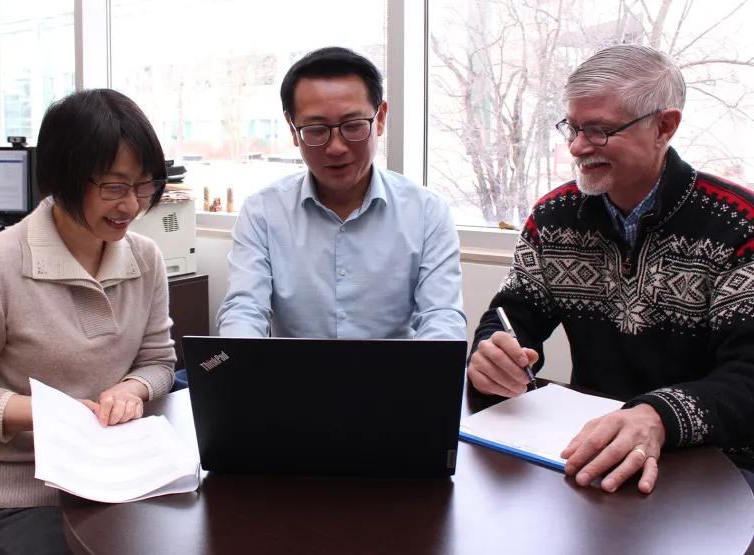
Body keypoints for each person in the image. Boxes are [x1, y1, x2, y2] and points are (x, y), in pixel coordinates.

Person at [468, 44, 754, 494]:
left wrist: (657, 416)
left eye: (599, 131)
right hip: (587, 451)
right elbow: (512, 315)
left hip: (717, 466)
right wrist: (493, 353)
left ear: (665, 126)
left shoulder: (739, 225)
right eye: (572, 127)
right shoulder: (553, 217)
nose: (577, 147)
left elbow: (748, 376)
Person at [0, 89, 176, 554]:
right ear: (62, 177)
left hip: (116, 471)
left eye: (144, 186)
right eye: (114, 187)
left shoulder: (146, 259)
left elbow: (159, 361)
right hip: (19, 488)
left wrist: (132, 389)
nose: (131, 206)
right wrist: (52, 414)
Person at [216, 47, 466, 340]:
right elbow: (244, 308)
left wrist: (431, 364)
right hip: (294, 370)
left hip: (397, 370)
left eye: (354, 126)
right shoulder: (262, 212)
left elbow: (441, 317)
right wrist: (239, 359)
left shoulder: (427, 212)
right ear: (293, 130)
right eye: (316, 129)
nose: (336, 147)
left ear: (380, 119)